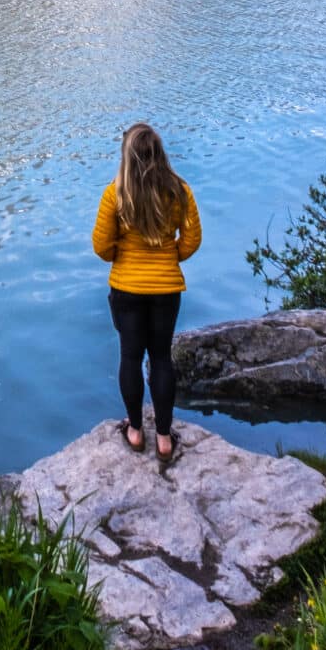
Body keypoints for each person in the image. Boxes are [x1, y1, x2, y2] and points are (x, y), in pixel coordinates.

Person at [92, 121, 201, 461]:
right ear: (159, 153)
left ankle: (136, 431)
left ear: (127, 156)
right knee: (161, 359)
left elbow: (100, 246)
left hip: (126, 289)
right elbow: (193, 239)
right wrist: (171, 257)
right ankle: (165, 438)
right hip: (166, 290)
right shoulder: (180, 191)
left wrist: (120, 257)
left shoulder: (116, 193)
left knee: (129, 357)